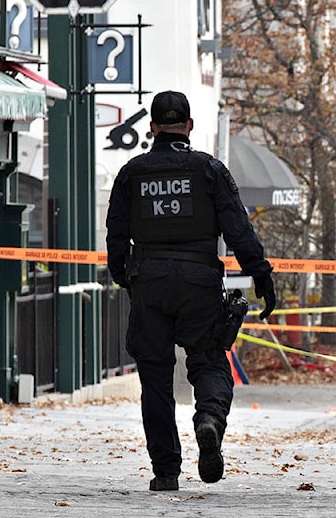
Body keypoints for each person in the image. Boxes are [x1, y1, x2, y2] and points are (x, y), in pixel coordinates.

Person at [105, 90, 277, 492]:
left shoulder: (132, 172)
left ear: (152, 129)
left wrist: (122, 275)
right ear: (189, 125)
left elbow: (116, 234)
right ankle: (209, 420)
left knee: (155, 378)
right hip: (200, 280)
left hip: (149, 280)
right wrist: (261, 275)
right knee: (209, 361)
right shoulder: (209, 170)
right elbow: (238, 229)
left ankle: (166, 471)